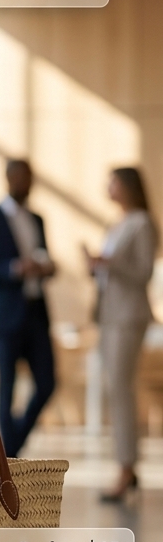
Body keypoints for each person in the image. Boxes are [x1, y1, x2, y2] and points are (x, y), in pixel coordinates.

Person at [84, 167, 158, 502]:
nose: (108, 187)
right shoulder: (116, 223)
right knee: (117, 390)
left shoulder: (142, 222)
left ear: (128, 186)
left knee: (121, 390)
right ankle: (127, 467)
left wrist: (109, 263)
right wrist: (97, 267)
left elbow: (143, 272)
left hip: (129, 317)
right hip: (111, 315)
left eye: (112, 181)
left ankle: (126, 468)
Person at [0, 159, 56, 457]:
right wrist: (16, 268)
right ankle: (6, 456)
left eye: (31, 177)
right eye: (22, 177)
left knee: (47, 384)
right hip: (4, 314)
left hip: (36, 312)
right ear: (9, 178)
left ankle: (10, 448)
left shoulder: (37, 219)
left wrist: (47, 267)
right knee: (7, 387)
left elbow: (43, 255)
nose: (27, 183)